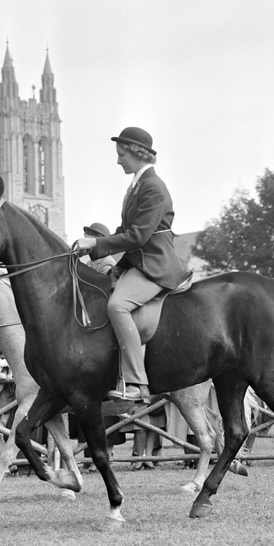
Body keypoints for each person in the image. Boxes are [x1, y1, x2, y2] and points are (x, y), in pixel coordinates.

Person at [74, 126, 189, 402]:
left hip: (156, 263)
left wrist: (96, 245)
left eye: (121, 154)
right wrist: (106, 260)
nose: (118, 161)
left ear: (136, 153)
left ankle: (137, 384)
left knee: (117, 305)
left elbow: (137, 235)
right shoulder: (137, 185)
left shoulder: (153, 188)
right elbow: (125, 229)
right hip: (139, 260)